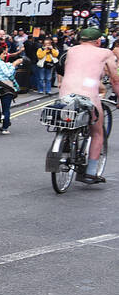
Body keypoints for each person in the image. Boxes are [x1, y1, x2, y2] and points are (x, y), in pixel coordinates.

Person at [56, 27, 118, 184]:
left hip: (66, 93)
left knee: (68, 119)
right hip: (89, 95)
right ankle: (90, 172)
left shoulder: (72, 50)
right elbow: (115, 79)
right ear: (98, 41)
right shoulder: (105, 53)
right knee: (97, 132)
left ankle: (67, 143)